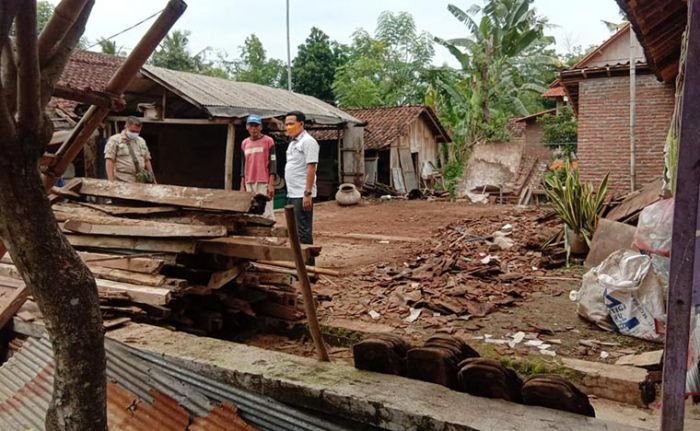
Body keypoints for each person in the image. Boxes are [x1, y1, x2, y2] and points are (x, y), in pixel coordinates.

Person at [284, 111, 318, 246]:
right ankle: (299, 263)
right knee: (294, 230)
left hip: (302, 193)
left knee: (303, 230)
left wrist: (307, 193)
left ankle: (308, 265)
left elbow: (311, 167)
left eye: (291, 124)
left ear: (301, 124)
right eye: (286, 124)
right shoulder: (292, 143)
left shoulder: (308, 142)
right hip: (292, 193)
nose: (288, 127)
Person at [240, 114, 276, 220]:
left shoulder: (269, 141)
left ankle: (270, 236)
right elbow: (243, 165)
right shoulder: (244, 143)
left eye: (256, 126)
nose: (253, 128)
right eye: (251, 125)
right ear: (247, 127)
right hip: (249, 182)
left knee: (266, 210)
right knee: (251, 209)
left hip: (263, 181)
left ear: (260, 127)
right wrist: (242, 185)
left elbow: (273, 163)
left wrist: (271, 184)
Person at [104, 116, 156, 183]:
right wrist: (111, 181)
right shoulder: (115, 140)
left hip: (140, 181)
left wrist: (153, 179)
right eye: (132, 131)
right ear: (126, 127)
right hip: (122, 180)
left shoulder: (141, 141)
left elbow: (147, 160)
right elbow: (109, 160)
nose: (134, 133)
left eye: (137, 132)